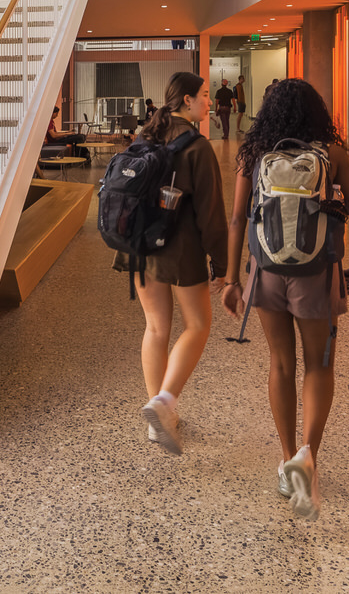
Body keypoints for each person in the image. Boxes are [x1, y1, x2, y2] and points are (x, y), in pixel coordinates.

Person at [221, 78, 349, 520]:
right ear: (317, 110)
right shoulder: (334, 155)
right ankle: (307, 455)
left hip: (266, 272)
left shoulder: (254, 155)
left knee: (281, 364)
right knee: (320, 364)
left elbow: (236, 220)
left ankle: (287, 459)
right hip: (317, 272)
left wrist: (232, 278)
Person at [116, 69, 227, 455]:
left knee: (156, 327)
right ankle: (164, 402)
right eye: (204, 95)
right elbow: (211, 216)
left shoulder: (144, 136)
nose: (209, 101)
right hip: (180, 249)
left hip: (138, 246)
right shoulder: (196, 147)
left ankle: (158, 417)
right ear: (186, 101)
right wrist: (223, 264)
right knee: (198, 323)